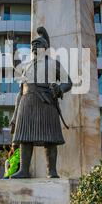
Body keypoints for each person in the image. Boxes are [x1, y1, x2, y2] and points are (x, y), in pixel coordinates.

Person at [10, 26, 72, 178]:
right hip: (26, 102)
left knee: (50, 138)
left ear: (45, 48)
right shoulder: (26, 66)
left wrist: (60, 89)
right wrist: (12, 47)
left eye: (38, 44)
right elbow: (16, 70)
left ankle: (52, 171)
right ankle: (24, 170)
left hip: (46, 101)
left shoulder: (53, 63)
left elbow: (68, 82)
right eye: (32, 45)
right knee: (25, 137)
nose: (34, 47)